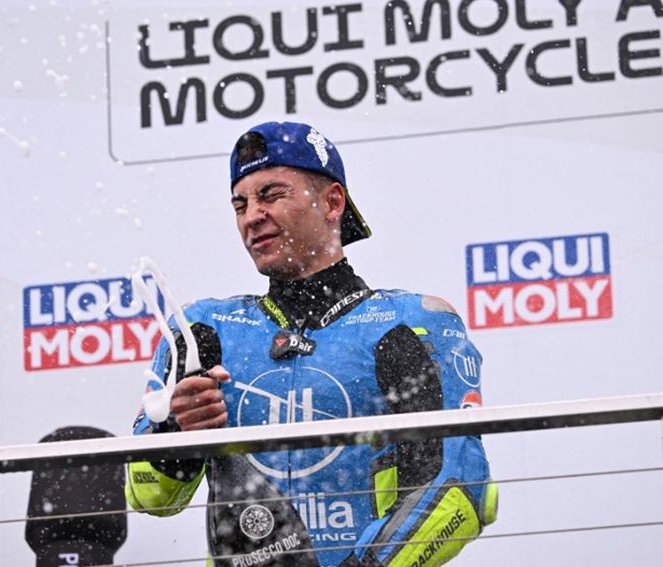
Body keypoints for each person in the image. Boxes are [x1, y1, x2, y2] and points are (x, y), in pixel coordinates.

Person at [125, 121, 497, 566]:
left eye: (271, 195)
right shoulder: (203, 330)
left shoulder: (408, 324)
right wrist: (176, 429)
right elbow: (149, 496)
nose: (252, 216)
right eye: (240, 204)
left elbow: (456, 489)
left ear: (333, 202)